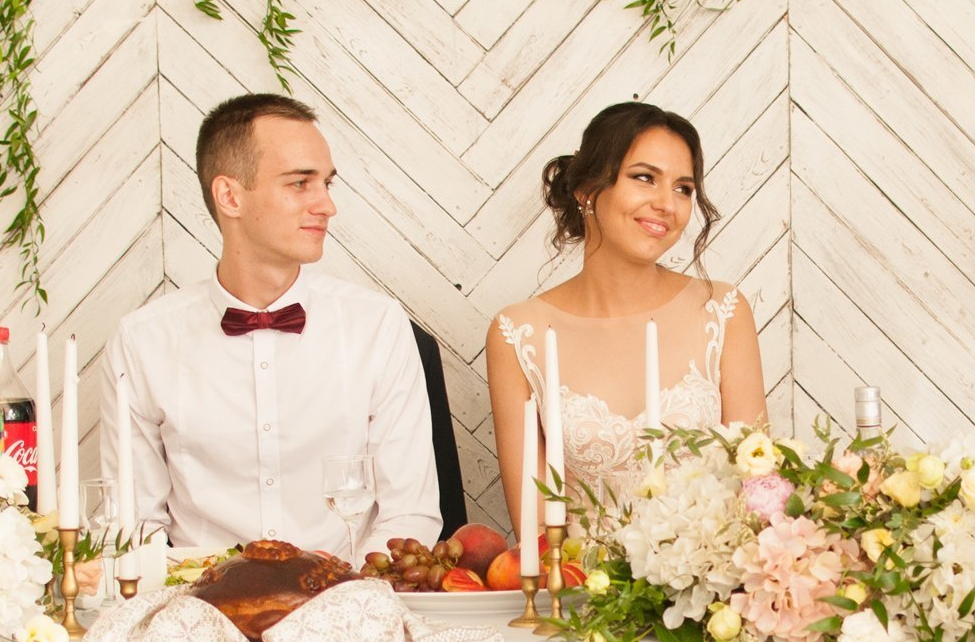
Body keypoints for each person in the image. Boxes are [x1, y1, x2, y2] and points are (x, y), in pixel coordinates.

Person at [105, 94, 440, 555]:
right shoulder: (142, 341)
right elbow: (133, 526)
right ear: (230, 196)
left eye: (327, 183)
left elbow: (410, 514)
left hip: (346, 605)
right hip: (198, 607)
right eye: (301, 183)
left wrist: (340, 594)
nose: (327, 205)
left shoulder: (377, 326)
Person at [486, 103, 768, 524]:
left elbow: (760, 493)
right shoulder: (518, 333)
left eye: (683, 188)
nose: (666, 204)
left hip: (714, 584)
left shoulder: (722, 312)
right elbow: (537, 531)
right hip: (579, 586)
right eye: (644, 178)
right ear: (586, 189)